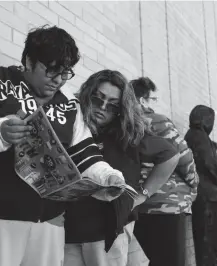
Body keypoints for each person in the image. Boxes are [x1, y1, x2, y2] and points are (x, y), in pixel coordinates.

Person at [0, 26, 128, 266]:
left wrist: (108, 177)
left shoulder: (69, 103)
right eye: (51, 70)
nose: (59, 80)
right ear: (29, 61)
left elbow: (85, 153)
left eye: (66, 72)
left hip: (49, 226)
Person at [64, 70, 180, 266]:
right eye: (97, 99)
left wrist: (143, 194)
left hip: (111, 226)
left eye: (112, 105)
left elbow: (170, 155)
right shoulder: (74, 123)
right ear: (87, 94)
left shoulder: (126, 132)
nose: (102, 108)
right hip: (71, 225)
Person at [132, 77, 199, 266]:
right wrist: (194, 184)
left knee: (157, 258)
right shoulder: (158, 121)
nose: (156, 104)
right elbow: (184, 157)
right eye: (153, 99)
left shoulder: (124, 124)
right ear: (142, 100)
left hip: (141, 202)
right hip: (168, 203)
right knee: (171, 260)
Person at [185, 105, 217, 266]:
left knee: (206, 243)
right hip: (208, 195)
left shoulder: (192, 135)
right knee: (209, 243)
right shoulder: (200, 136)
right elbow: (211, 163)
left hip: (202, 194)